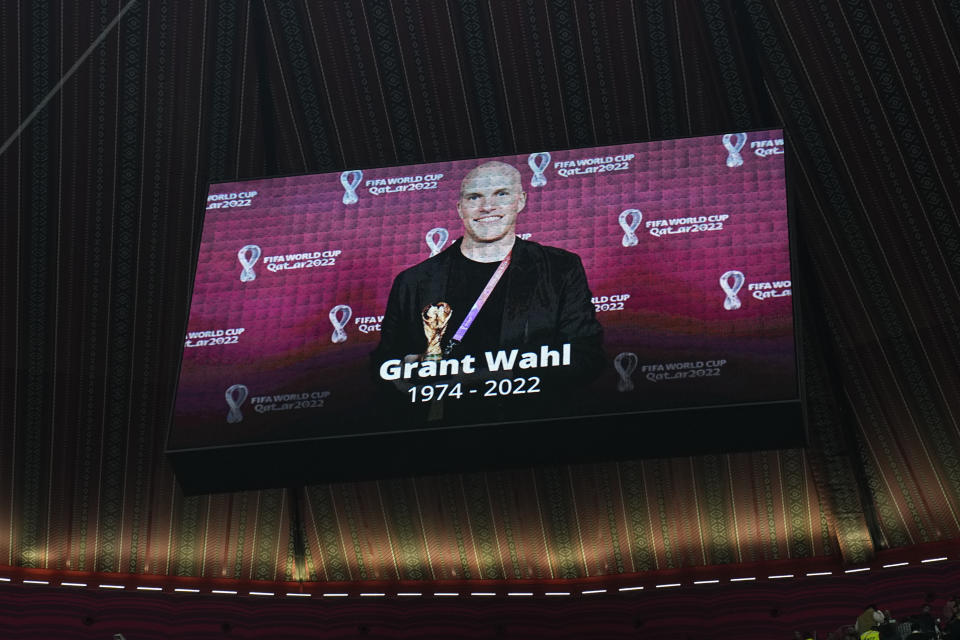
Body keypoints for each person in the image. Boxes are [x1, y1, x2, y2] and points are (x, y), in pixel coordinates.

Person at [372, 160, 604, 423]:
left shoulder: (560, 268)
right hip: (441, 433)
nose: (487, 207)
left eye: (501, 194)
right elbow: (382, 367)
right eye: (475, 197)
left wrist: (489, 375)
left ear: (521, 201)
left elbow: (586, 358)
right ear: (460, 208)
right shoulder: (413, 281)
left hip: (533, 427)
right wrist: (404, 371)